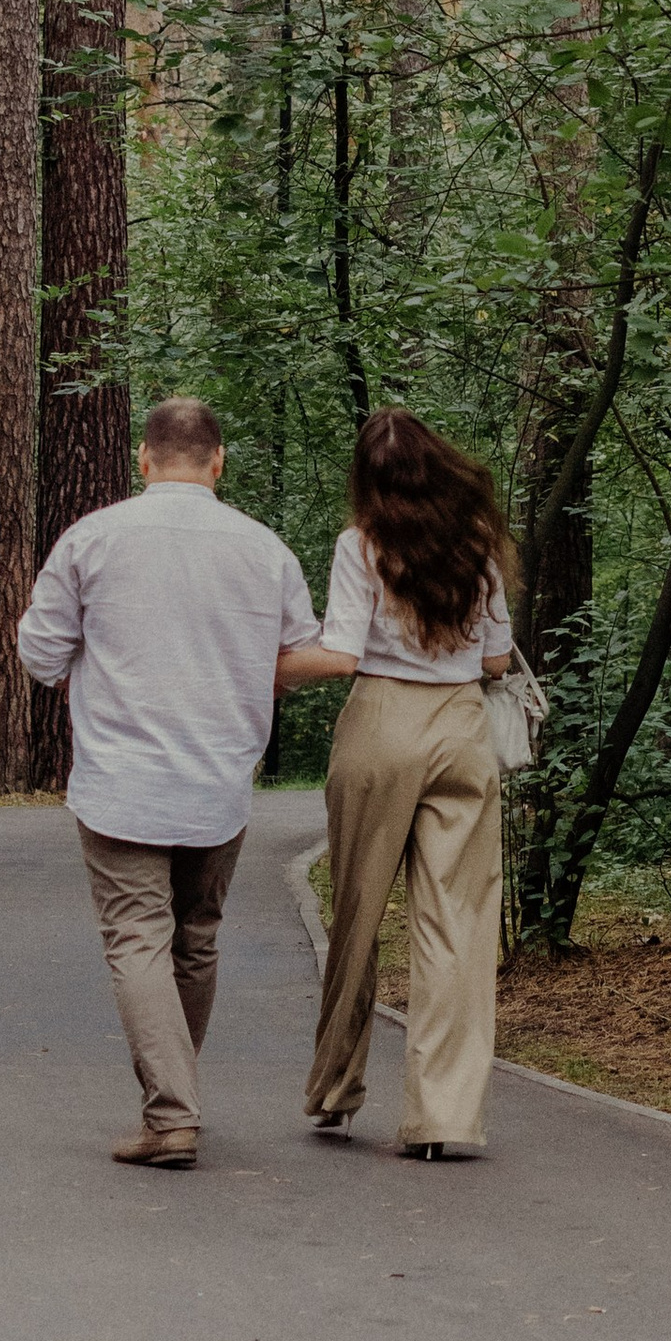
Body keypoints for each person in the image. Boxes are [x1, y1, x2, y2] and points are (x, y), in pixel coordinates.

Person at [17, 392, 318, 1170]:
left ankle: (171, 1113)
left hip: (122, 779)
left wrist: (81, 678)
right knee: (197, 937)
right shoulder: (264, 549)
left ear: (143, 460)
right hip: (219, 778)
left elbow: (40, 652)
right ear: (219, 462)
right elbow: (295, 660)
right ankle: (175, 1099)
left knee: (137, 939)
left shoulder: (93, 538)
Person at [282, 407, 515, 1158]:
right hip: (462, 728)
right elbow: (496, 664)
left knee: (356, 910)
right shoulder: (478, 548)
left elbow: (343, 650)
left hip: (382, 720)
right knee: (458, 925)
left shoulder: (361, 546)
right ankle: (443, 1119)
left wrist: (265, 671)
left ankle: (335, 1089)